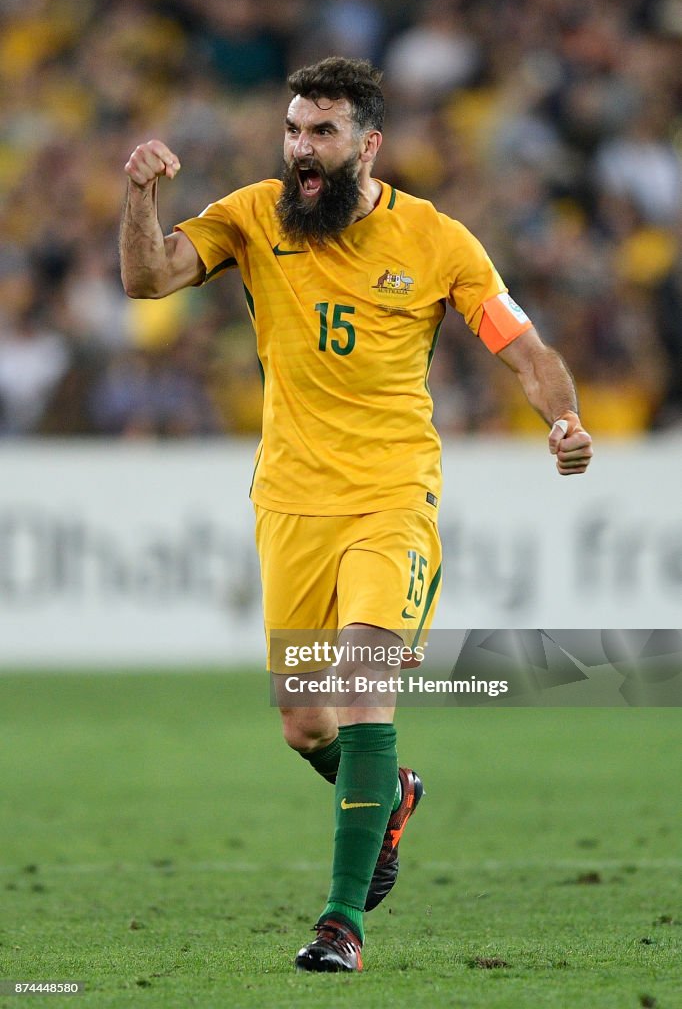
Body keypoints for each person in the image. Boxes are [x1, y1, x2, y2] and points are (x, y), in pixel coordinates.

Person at [120, 56, 593, 973]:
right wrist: (138, 197)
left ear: (367, 144)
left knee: (360, 679)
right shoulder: (252, 216)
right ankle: (393, 794)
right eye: (295, 129)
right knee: (305, 721)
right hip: (291, 500)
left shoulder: (436, 239)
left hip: (391, 495)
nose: (302, 149)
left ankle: (342, 924)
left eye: (323, 133)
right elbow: (148, 279)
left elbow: (524, 349)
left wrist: (564, 418)